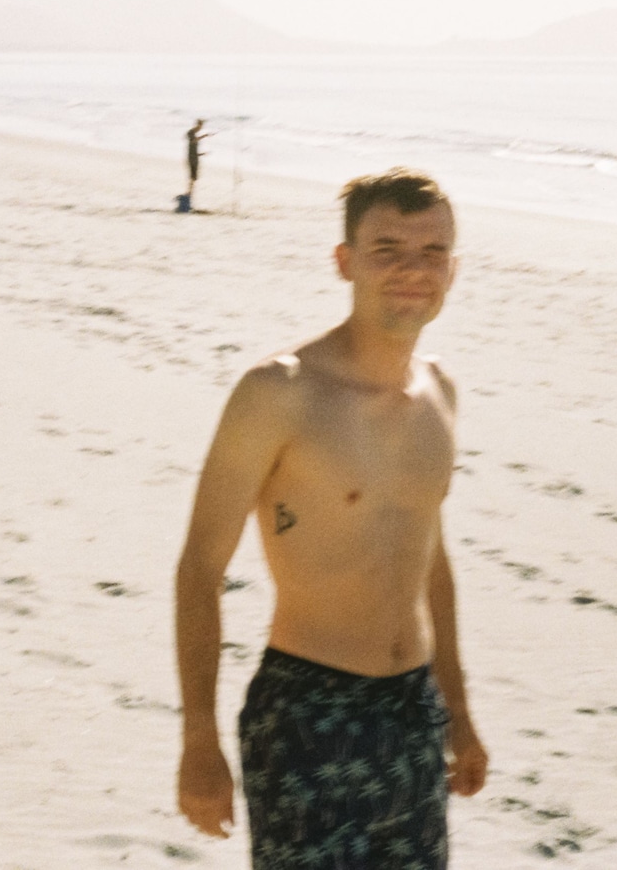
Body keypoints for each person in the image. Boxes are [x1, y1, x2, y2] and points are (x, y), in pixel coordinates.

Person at [174, 168, 487, 867]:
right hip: (309, 713)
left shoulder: (441, 392)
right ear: (344, 261)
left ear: (454, 269)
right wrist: (200, 739)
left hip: (413, 710)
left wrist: (459, 713)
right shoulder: (278, 392)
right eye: (387, 248)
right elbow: (200, 567)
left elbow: (430, 558)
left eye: (433, 251)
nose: (413, 269)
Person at [185, 119, 211, 208]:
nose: (200, 128)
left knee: (194, 179)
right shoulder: (190, 132)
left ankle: (189, 196)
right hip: (192, 159)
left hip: (195, 158)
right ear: (197, 125)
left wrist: (202, 154)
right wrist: (204, 136)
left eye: (201, 127)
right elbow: (192, 141)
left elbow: (193, 149)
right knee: (192, 178)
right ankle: (188, 196)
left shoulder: (194, 135)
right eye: (200, 126)